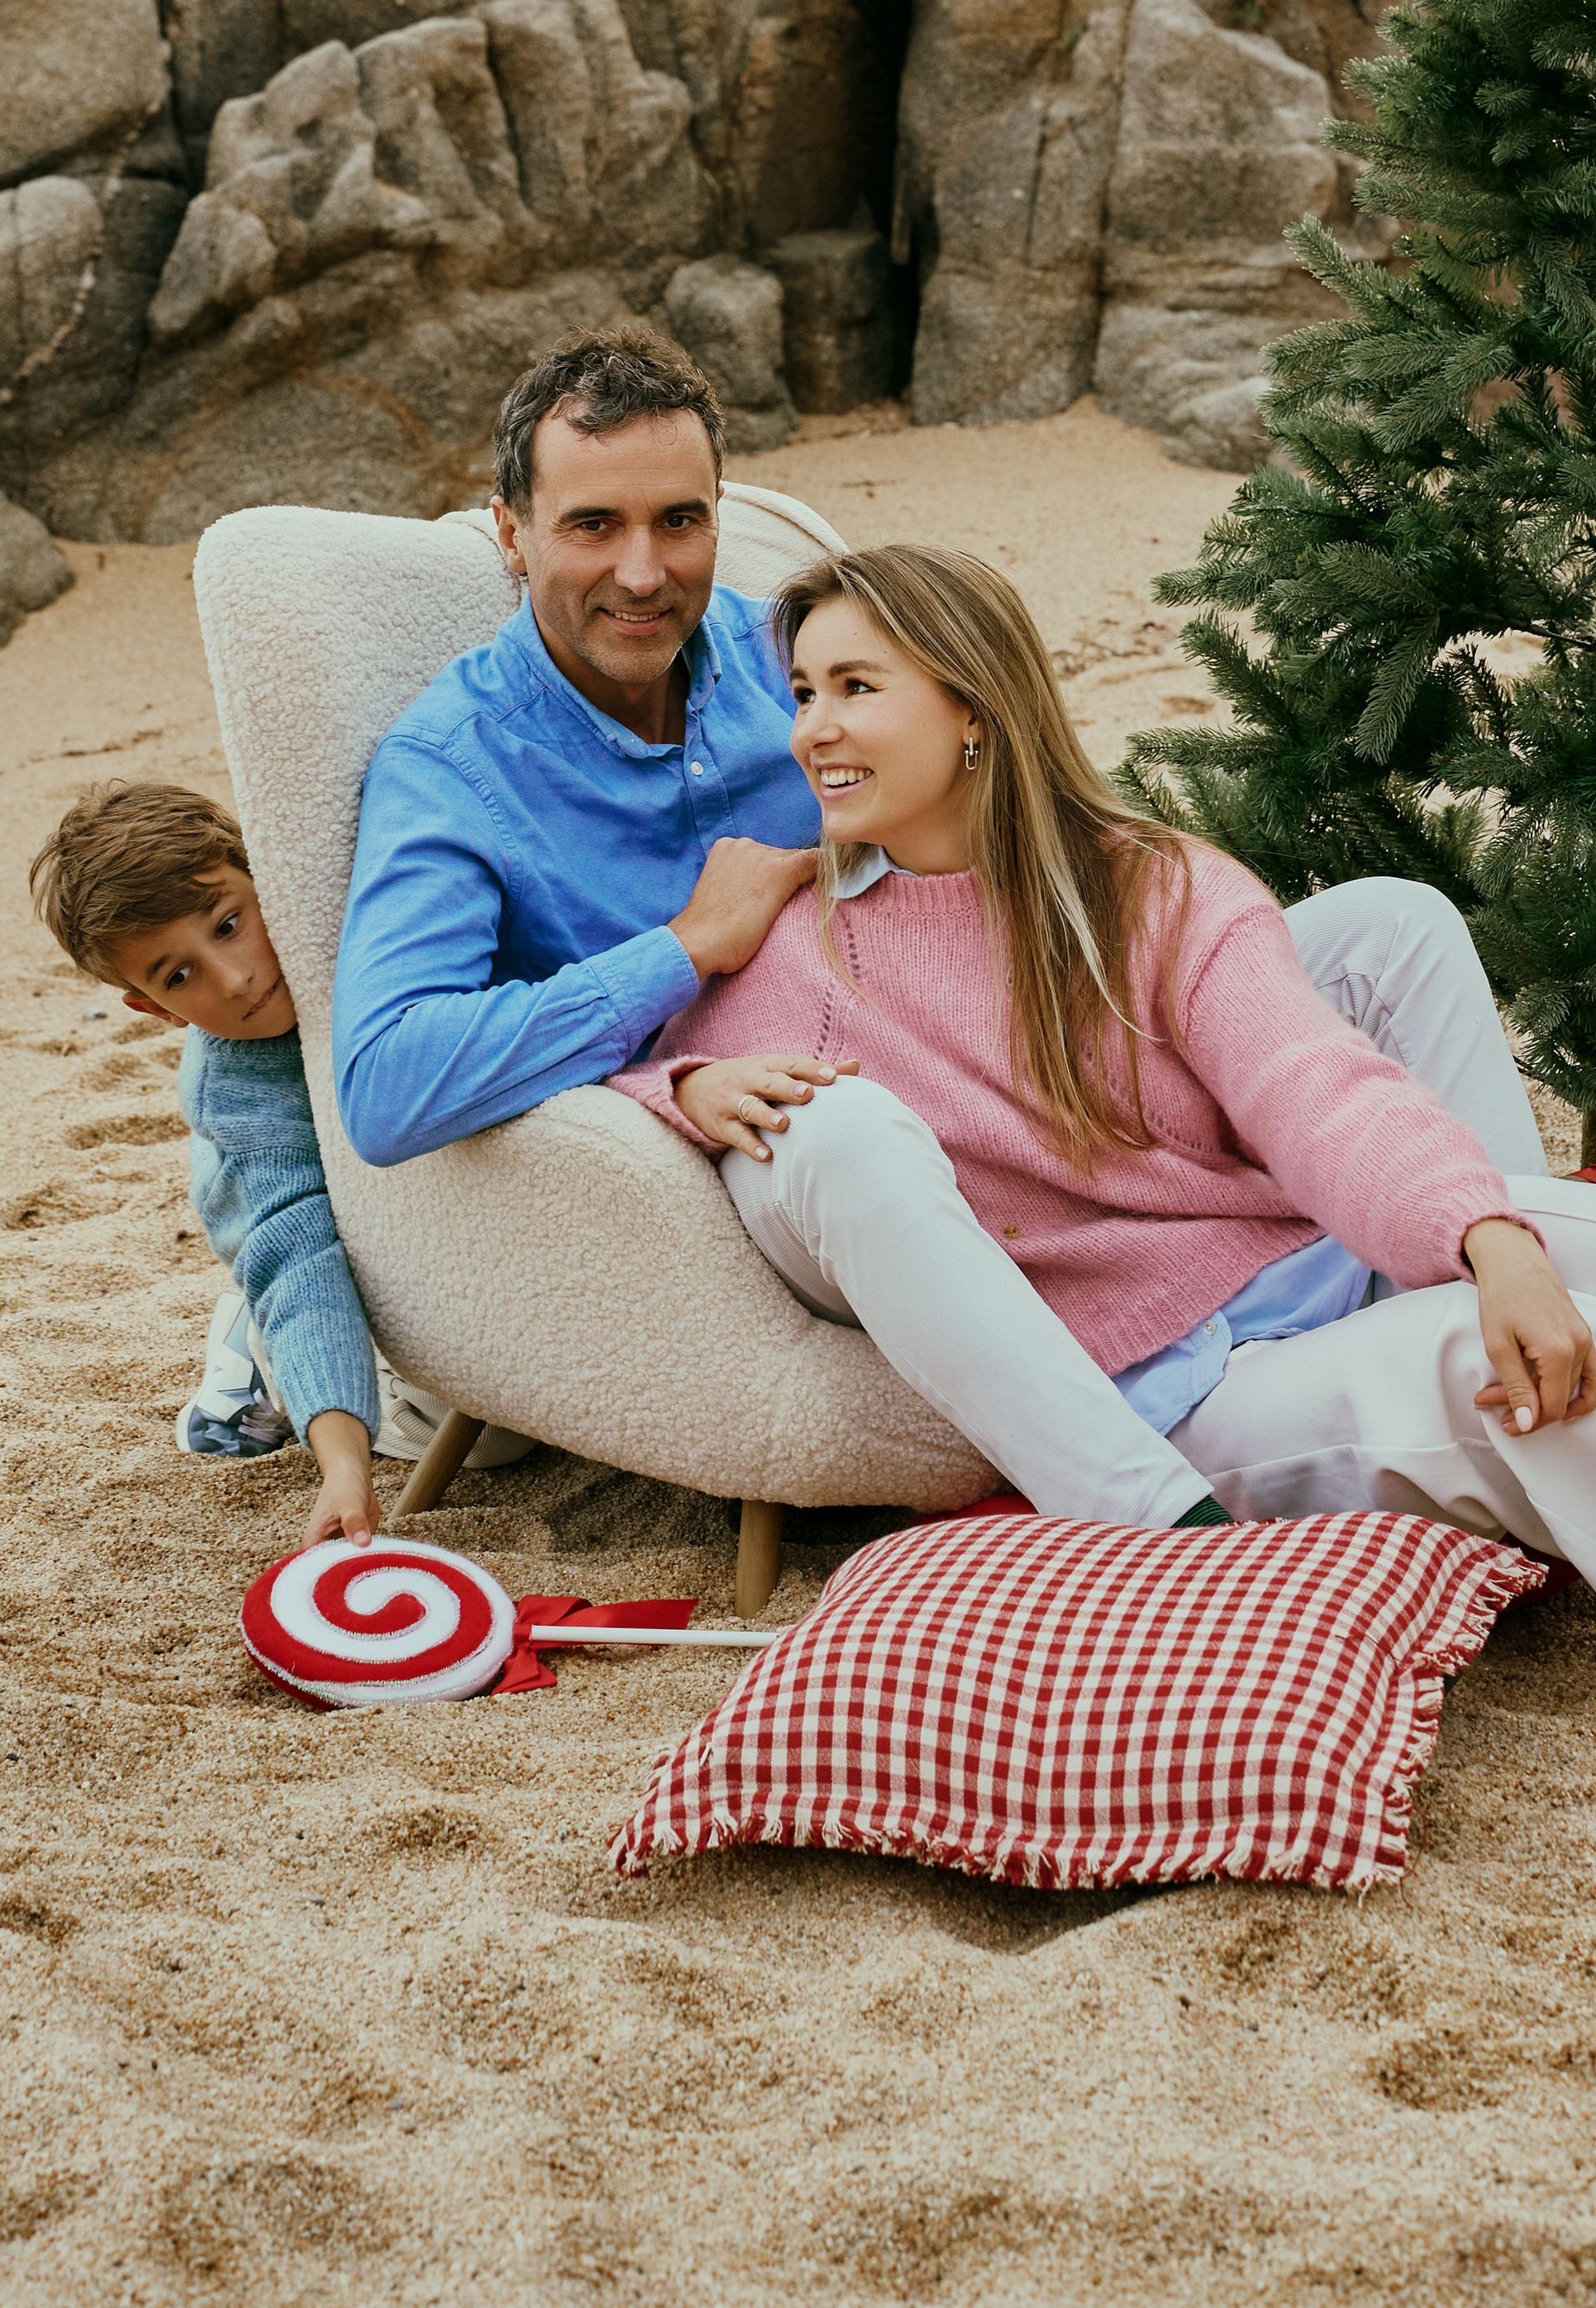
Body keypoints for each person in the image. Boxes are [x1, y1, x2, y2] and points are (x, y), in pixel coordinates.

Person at [333, 330, 1548, 1196]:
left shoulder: (795, 652)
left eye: (680, 520)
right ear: (512, 533)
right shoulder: (451, 766)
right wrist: (685, 948)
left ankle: (1527, 1269)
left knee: (1395, 930)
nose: (645, 572)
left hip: (1010, 1001)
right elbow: (388, 1085)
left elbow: (999, 770)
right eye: (593, 525)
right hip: (837, 1121)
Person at [607, 543, 1596, 1569]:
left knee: (1533, 1266)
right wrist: (691, 1084)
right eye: (806, 691)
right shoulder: (798, 950)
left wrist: (1489, 1240)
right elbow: (615, 1091)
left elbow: (1312, 1084)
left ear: (973, 709)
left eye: (856, 687)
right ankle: (1174, 1544)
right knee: (1483, 1362)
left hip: (1324, 1261)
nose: (812, 729)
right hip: (1191, 1386)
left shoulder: (1155, 885)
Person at [29, 780, 385, 1551]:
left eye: (229, 924)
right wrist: (345, 1467)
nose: (234, 978)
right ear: (154, 1009)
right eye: (179, 976)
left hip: (379, 1206)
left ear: (267, 876)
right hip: (284, 1240)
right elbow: (299, 1260)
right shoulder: (238, 1096)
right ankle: (250, 1355)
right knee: (469, 1438)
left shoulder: (355, 923)